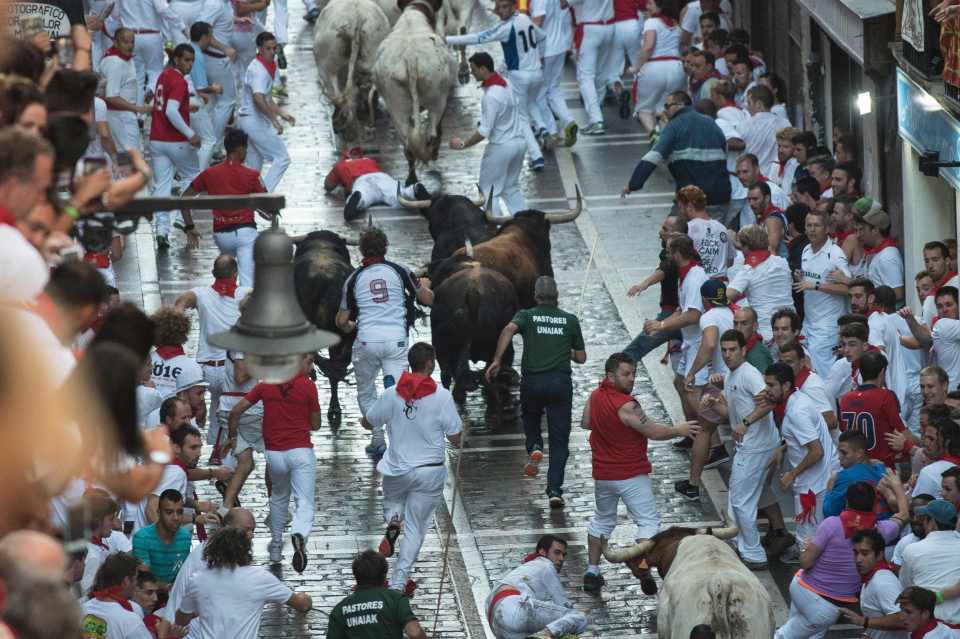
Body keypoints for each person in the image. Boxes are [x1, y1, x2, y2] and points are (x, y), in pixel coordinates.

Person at [582, 352, 700, 593]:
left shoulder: (596, 396)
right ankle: (642, 566)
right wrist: (680, 429)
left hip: (603, 475)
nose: (632, 379)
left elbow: (586, 423)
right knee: (648, 522)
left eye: (633, 373)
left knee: (602, 520)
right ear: (610, 376)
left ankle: (592, 571)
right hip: (631, 474)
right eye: (626, 374)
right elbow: (653, 432)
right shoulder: (628, 406)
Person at [362, 343, 462, 595]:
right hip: (430, 471)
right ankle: (398, 582)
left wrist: (368, 420)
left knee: (393, 502)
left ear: (410, 363)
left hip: (397, 471)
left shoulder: (391, 393)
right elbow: (455, 437)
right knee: (416, 529)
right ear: (430, 364)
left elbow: (368, 421)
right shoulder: (442, 396)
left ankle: (394, 519)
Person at [487, 276, 586, 506]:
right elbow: (581, 357)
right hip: (560, 384)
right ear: (557, 296)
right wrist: (565, 350)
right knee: (560, 441)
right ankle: (554, 491)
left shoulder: (527, 316)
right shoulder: (569, 320)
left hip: (532, 382)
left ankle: (535, 446)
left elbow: (508, 330)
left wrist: (497, 360)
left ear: (535, 296)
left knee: (530, 416)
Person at [336, 226, 433, 456]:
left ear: (361, 250)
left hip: (367, 340)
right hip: (396, 340)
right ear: (385, 247)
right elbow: (426, 298)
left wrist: (351, 326)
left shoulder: (354, 278)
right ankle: (401, 438)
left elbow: (341, 320)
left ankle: (377, 436)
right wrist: (426, 287)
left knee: (367, 389)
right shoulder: (400, 271)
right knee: (400, 390)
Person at [773, 479, 908, 639]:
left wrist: (805, 548)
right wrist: (897, 488)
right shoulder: (882, 531)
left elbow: (805, 562)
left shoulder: (830, 524)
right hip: (827, 609)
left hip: (804, 591)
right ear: (874, 506)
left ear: (846, 503)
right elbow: (904, 515)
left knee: (785, 635)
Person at [228, 354, 319, 572]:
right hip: (300, 451)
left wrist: (232, 437)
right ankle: (298, 533)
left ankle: (276, 546)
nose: (311, 366)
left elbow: (236, 411)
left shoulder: (266, 384)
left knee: (278, 497)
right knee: (304, 501)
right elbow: (316, 425)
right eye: (309, 361)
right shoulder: (308, 386)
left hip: (275, 454)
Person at [707, 330, 780, 570]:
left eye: (732, 350)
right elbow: (731, 415)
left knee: (740, 501)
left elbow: (768, 402)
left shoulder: (750, 375)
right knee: (738, 499)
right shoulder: (730, 375)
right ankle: (743, 546)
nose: (727, 355)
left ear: (743, 350)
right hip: (748, 446)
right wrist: (715, 403)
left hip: (757, 447)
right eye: (724, 350)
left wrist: (746, 423)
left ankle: (754, 553)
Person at [445, 0, 546, 171]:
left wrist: (447, 39)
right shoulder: (525, 19)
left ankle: (537, 156)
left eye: (504, 6)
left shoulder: (506, 28)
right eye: (499, 7)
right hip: (537, 73)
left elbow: (477, 38)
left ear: (514, 7)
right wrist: (535, 56)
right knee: (531, 103)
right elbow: (542, 36)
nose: (500, 10)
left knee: (521, 118)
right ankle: (543, 127)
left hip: (520, 75)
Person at [175, 254, 252, 462]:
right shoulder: (245, 293)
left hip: (206, 371)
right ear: (235, 273)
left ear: (213, 273)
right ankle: (222, 453)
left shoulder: (201, 294)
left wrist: (177, 316)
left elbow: (182, 301)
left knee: (216, 406)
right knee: (228, 410)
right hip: (232, 368)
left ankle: (197, 448)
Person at [175, 527, 313, 637]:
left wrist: (198, 610)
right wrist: (306, 598)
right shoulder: (259, 578)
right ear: (246, 550)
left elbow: (181, 620)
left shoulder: (198, 580)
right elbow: (301, 604)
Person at [763, 362, 838, 563]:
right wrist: (783, 447)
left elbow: (816, 451)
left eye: (771, 385)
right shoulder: (797, 400)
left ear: (786, 386)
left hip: (815, 486)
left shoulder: (797, 412)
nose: (767, 390)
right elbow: (802, 437)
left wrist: (791, 474)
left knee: (811, 542)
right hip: (813, 482)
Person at [622, 91, 732, 226]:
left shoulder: (674, 125)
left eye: (667, 106)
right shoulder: (711, 123)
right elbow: (725, 153)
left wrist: (633, 184)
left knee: (673, 232)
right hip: (719, 195)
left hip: (691, 198)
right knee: (713, 239)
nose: (664, 110)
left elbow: (653, 156)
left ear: (679, 105)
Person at [179, 129, 268, 286]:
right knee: (248, 282)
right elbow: (268, 204)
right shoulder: (252, 175)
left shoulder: (209, 173)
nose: (246, 152)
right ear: (240, 149)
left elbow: (184, 199)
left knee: (226, 280)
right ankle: (244, 307)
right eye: (245, 148)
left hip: (221, 236)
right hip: (245, 233)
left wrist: (189, 226)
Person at [449, 52, 528, 214]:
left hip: (501, 147)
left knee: (487, 191)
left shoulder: (491, 96)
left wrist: (463, 144)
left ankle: (498, 230)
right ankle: (524, 223)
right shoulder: (506, 83)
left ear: (484, 69)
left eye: (474, 69)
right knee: (510, 188)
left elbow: (485, 130)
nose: (471, 72)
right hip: (519, 144)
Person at [149, 43, 201, 252]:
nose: (189, 65)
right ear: (177, 59)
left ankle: (161, 232)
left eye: (192, 61)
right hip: (176, 141)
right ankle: (181, 216)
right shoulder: (180, 81)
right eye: (186, 60)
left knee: (162, 185)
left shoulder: (163, 75)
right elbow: (172, 111)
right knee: (195, 178)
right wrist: (191, 134)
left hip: (156, 139)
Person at [486, 535, 588, 637]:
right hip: (514, 608)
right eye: (557, 553)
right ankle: (544, 635)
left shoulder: (527, 567)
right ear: (542, 552)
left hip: (494, 616)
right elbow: (563, 604)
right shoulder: (546, 565)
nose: (561, 559)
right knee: (578, 618)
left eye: (563, 555)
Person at [795, 207, 850, 375]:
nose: (812, 229)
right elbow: (810, 281)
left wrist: (816, 285)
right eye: (809, 225)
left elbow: (848, 288)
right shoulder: (805, 250)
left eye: (816, 226)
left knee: (825, 376)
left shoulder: (835, 255)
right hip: (809, 324)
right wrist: (801, 279)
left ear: (826, 229)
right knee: (807, 370)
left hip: (828, 326)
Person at [236, 32, 294, 192]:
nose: (272, 51)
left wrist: (283, 114)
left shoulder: (269, 64)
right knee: (282, 158)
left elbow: (267, 98)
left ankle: (247, 200)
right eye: (268, 48)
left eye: (274, 48)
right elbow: (258, 98)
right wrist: (274, 120)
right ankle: (263, 196)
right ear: (259, 49)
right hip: (253, 121)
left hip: (248, 120)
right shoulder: (259, 70)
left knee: (254, 166)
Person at [326, 550, 427, 639]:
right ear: (384, 576)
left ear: (356, 576)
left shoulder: (339, 610)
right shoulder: (395, 599)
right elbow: (415, 633)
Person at [623, 214, 683, 362]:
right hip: (676, 313)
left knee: (631, 353)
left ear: (674, 234)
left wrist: (643, 284)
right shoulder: (672, 253)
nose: (660, 231)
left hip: (674, 314)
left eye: (665, 229)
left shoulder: (675, 258)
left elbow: (664, 270)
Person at [838, 352, 908, 469]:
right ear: (882, 373)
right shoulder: (886, 396)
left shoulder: (845, 399)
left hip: (854, 468)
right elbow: (902, 432)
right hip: (880, 469)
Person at [727, 224, 795, 342]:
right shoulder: (782, 262)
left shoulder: (748, 270)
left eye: (742, 247)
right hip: (791, 329)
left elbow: (725, 297)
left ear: (747, 247)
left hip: (766, 333)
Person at [839, 528, 910, 637]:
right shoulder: (869, 579)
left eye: (865, 553)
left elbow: (902, 620)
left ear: (879, 555)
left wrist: (863, 621)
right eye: (856, 553)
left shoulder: (883, 582)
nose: (858, 559)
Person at [627, 0, 685, 134]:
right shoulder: (676, 24)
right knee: (668, 108)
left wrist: (635, 67)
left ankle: (654, 135)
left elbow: (648, 47)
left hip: (654, 68)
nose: (646, 7)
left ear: (660, 6)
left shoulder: (651, 22)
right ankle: (668, 137)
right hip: (676, 68)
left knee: (644, 110)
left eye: (650, 4)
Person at [325, 146, 431, 219]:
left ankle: (357, 197)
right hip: (381, 177)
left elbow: (328, 186)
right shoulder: (369, 161)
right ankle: (414, 190)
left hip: (361, 181)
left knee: (364, 196)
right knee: (399, 196)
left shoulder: (341, 165)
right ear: (360, 155)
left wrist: (340, 180)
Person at [899, 500, 960, 623]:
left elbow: (906, 585)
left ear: (932, 523)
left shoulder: (912, 549)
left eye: (924, 519)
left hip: (927, 627)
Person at [530, 0, 579, 148]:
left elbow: (538, 22)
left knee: (539, 94)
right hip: (559, 47)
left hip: (545, 50)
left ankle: (551, 131)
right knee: (554, 89)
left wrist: (531, 48)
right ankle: (568, 121)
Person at [219, 350, 262, 509]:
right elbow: (240, 376)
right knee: (276, 456)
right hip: (247, 409)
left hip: (231, 408)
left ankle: (225, 508)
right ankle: (278, 506)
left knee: (246, 463)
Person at [568, 0, 614, 136]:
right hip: (608, 26)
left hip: (590, 28)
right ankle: (597, 112)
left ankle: (596, 120)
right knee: (600, 74)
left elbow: (563, 3)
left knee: (585, 77)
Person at [81, 553, 152, 638]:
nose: (136, 584)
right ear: (126, 581)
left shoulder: (81, 609)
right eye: (135, 578)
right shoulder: (131, 621)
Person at [101, 28, 150, 152]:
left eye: (132, 42)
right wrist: (137, 108)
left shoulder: (124, 59)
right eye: (125, 42)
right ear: (116, 43)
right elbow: (111, 96)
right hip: (120, 116)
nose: (130, 46)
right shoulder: (115, 63)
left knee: (128, 155)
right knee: (133, 156)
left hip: (124, 115)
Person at [901, 288, 960, 389]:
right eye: (940, 306)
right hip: (952, 393)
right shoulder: (943, 324)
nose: (944, 310)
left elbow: (925, 341)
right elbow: (926, 340)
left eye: (949, 305)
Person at [822, 430, 888, 518]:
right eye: (839, 452)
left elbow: (830, 512)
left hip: (861, 528)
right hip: (887, 527)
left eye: (844, 453)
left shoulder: (845, 476)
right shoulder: (882, 469)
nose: (839, 457)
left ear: (859, 454)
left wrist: (829, 488)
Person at [133, 489, 192, 585]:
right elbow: (144, 578)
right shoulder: (142, 538)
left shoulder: (185, 537)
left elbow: (183, 573)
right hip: (149, 594)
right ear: (159, 513)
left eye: (180, 512)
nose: (176, 517)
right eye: (169, 512)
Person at [675, 184, 733, 279]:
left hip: (698, 285)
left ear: (689, 206)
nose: (680, 211)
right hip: (720, 286)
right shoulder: (722, 228)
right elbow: (730, 260)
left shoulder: (688, 228)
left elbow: (680, 260)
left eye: (681, 207)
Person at [858, 206, 905, 305]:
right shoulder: (879, 254)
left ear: (875, 230)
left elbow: (897, 293)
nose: (858, 234)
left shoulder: (887, 256)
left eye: (862, 229)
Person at [912, 418, 960, 500]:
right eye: (925, 437)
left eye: (932, 439)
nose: (926, 443)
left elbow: (915, 509)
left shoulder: (929, 472)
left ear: (946, 442)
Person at [921, 241, 959, 328]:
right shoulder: (929, 299)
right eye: (927, 261)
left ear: (947, 261)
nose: (930, 265)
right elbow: (928, 336)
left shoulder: (957, 283)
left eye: (935, 260)